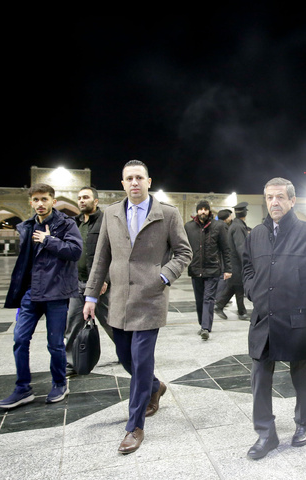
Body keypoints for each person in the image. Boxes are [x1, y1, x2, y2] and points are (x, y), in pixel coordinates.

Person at [83, 160, 192, 454]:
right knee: (125, 358)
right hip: (118, 300)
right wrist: (91, 296)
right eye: (129, 178)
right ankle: (155, 386)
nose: (134, 182)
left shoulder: (167, 214)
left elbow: (184, 252)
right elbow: (101, 257)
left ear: (148, 181)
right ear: (122, 184)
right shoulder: (111, 213)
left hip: (150, 299)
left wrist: (163, 276)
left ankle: (134, 426)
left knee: (141, 360)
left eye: (139, 178)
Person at [242, 177, 306, 460]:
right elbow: (246, 267)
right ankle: (266, 434)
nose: (274, 202)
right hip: (264, 319)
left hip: (299, 318)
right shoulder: (255, 234)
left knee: (302, 375)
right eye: (269, 197)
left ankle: (304, 424)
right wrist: (253, 290)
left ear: (292, 200)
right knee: (259, 376)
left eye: (280, 197)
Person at [0, 183, 82, 408]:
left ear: (53, 201)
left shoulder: (67, 224)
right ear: (31, 202)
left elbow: (75, 252)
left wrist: (48, 240)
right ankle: (22, 388)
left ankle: (59, 383)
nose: (40, 204)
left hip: (56, 293)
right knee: (20, 339)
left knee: (55, 343)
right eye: (35, 200)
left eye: (44, 199)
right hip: (31, 293)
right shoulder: (26, 226)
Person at [65, 187, 114, 375]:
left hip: (100, 284)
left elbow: (114, 253)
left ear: (96, 201)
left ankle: (128, 354)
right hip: (77, 283)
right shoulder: (74, 224)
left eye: (86, 197)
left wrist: (106, 279)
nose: (81, 201)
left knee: (112, 323)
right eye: (79, 198)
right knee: (73, 323)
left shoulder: (106, 222)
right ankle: (71, 363)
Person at [185, 200, 232, 340]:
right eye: (201, 209)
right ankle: (202, 324)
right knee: (199, 299)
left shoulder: (219, 226)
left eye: (206, 209)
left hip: (212, 269)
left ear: (209, 211)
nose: (203, 211)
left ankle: (205, 327)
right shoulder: (189, 227)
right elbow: (184, 248)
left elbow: (226, 249)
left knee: (208, 298)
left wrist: (228, 269)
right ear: (197, 211)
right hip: (195, 269)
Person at [215, 202, 249, 320]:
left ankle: (240, 311)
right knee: (237, 286)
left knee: (237, 287)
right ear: (245, 213)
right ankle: (222, 306)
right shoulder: (239, 227)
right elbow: (241, 247)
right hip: (236, 263)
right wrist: (247, 261)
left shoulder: (235, 225)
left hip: (233, 262)